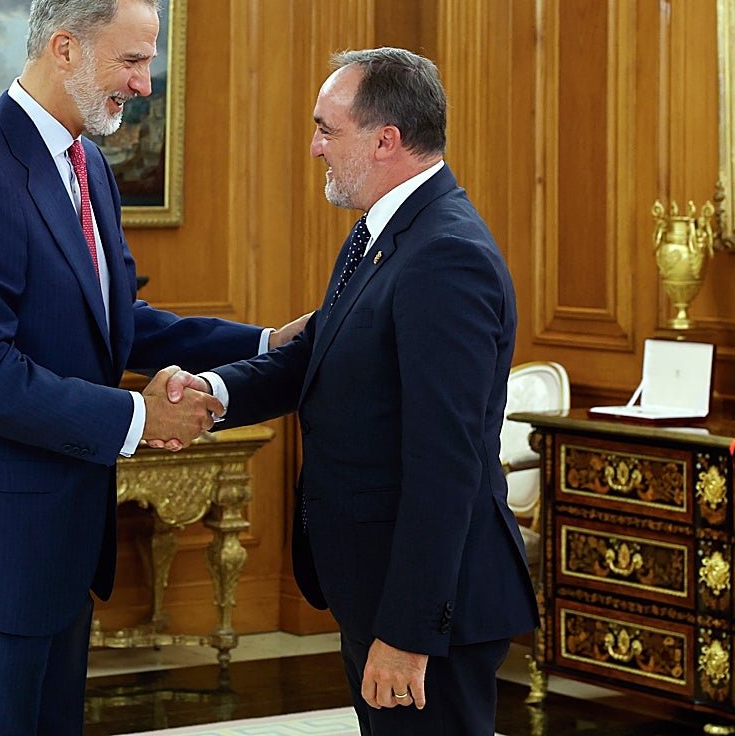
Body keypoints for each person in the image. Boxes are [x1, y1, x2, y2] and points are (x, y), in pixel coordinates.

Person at [0, 0, 307, 735]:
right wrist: (140, 418)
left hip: (58, 557)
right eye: (133, 60)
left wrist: (262, 341)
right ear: (65, 47)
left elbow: (116, 322)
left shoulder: (86, 166)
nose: (144, 84)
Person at [158, 48, 539, 735]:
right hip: (375, 584)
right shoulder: (379, 232)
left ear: (385, 140)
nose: (315, 148)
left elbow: (445, 464)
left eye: (327, 130)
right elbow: (318, 356)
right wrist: (212, 392)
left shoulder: (446, 256)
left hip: (426, 609)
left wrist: (406, 633)